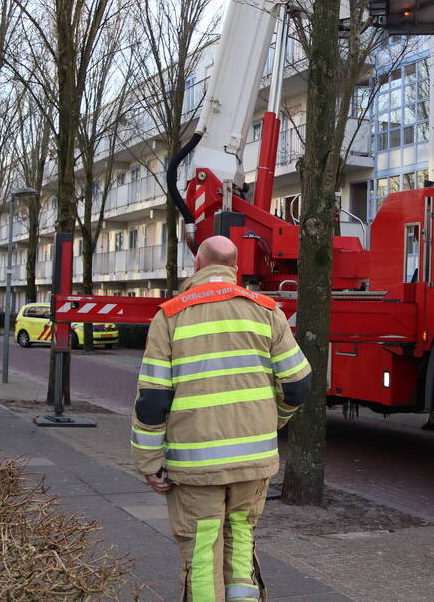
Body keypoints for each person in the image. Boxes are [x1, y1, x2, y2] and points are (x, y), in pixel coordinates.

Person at [132, 236, 311, 602]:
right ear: (235, 269)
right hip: (252, 462)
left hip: (196, 466)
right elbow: (298, 383)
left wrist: (150, 463)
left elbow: (152, 400)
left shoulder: (170, 316)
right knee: (241, 547)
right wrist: (274, 419)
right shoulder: (267, 310)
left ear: (197, 267)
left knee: (202, 555)